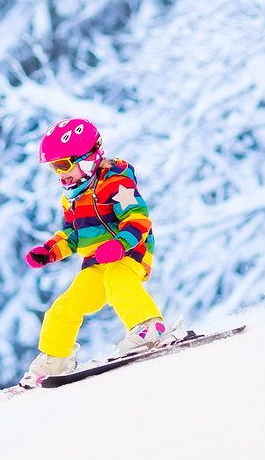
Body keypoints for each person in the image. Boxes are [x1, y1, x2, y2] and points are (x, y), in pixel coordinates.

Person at [20, 117, 166, 388]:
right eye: (54, 167)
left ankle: (148, 328)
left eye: (64, 164)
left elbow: (138, 219)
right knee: (65, 306)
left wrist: (120, 244)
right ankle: (56, 358)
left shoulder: (117, 183)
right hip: (97, 261)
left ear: (88, 158)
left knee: (117, 281)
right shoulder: (72, 198)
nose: (60, 173)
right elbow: (73, 235)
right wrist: (50, 252)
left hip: (130, 252)